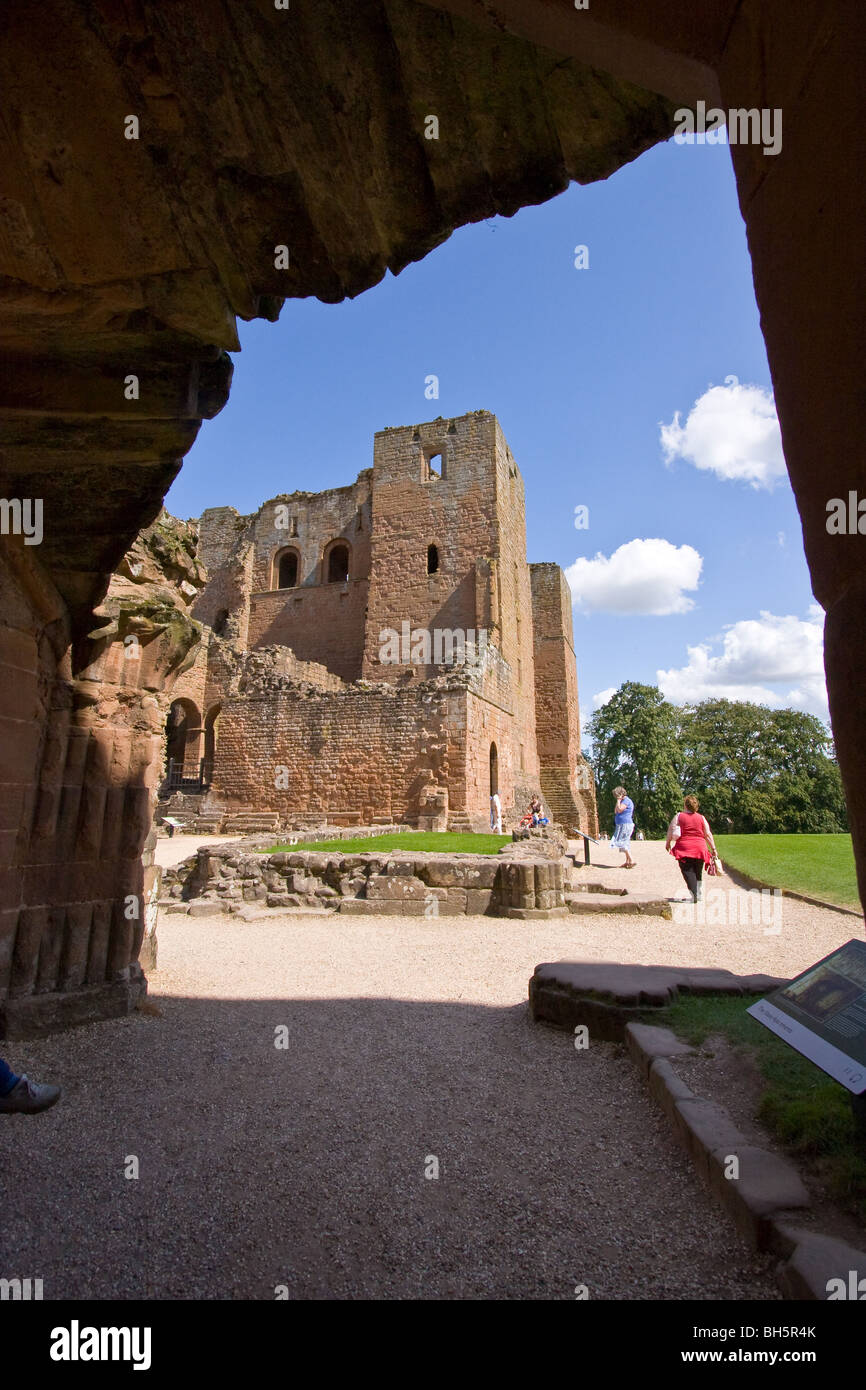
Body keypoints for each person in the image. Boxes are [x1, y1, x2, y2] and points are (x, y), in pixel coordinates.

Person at [665, 794, 718, 902]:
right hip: (700, 847)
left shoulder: (679, 816)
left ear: (685, 805)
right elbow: (707, 834)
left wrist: (668, 842)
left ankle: (694, 893)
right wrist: (713, 848)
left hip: (685, 848)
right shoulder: (701, 818)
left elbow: (671, 829)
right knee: (698, 872)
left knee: (687, 871)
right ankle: (698, 893)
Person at [611, 786, 636, 868]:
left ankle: (631, 860)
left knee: (622, 842)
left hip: (625, 824)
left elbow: (620, 809)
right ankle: (627, 861)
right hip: (621, 824)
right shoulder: (622, 801)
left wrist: (619, 801)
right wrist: (618, 801)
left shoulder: (627, 801)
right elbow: (616, 811)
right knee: (625, 842)